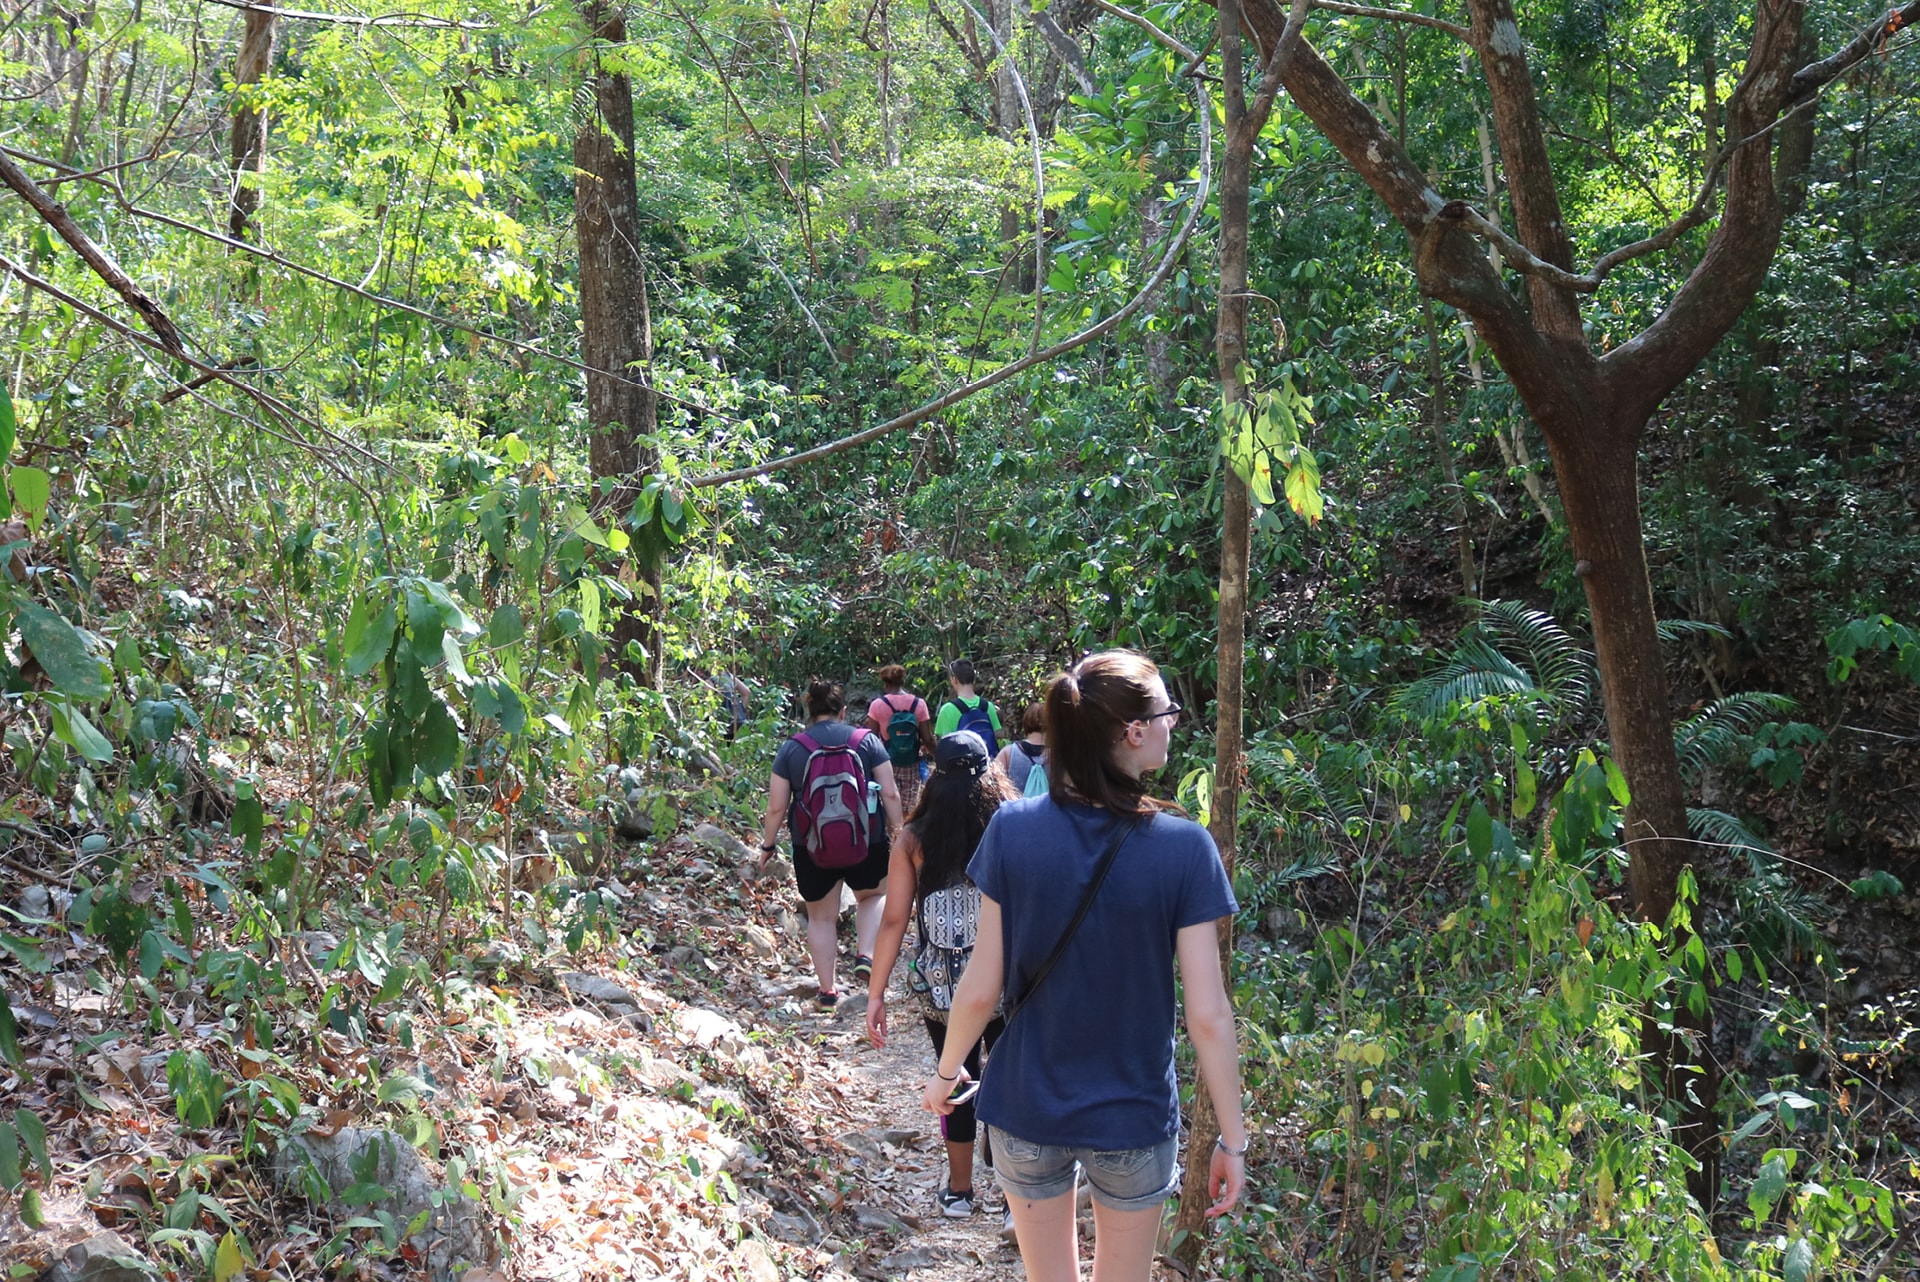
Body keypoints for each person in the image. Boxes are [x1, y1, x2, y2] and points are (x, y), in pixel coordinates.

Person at [920, 650, 1247, 1282]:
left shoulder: (1013, 830)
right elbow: (1208, 1015)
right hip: (1132, 1113)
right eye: (1165, 712)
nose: (1173, 722)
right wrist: (1231, 1139)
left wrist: (945, 1074)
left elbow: (981, 985)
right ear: (1133, 731)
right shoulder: (1184, 847)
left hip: (1026, 1108)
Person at [867, 731, 1017, 1220]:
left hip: (942, 986)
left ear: (935, 775)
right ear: (990, 774)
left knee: (953, 1078)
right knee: (1010, 1073)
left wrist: (877, 993)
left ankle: (960, 1191)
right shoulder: (1010, 828)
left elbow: (893, 920)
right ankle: (1018, 1194)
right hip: (1006, 979)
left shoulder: (913, 839)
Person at [758, 679, 903, 1008]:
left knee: (821, 917)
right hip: (868, 839)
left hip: (811, 845)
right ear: (843, 711)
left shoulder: (792, 748)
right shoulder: (866, 741)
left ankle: (827, 991)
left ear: (809, 712)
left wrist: (768, 846)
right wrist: (899, 834)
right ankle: (865, 953)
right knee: (873, 896)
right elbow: (891, 792)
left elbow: (776, 806)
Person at [865, 664, 935, 815]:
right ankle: (905, 835)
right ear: (903, 681)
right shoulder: (919, 704)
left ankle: (892, 836)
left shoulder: (877, 705)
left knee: (888, 805)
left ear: (885, 684)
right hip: (911, 763)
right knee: (911, 809)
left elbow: (871, 739)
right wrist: (940, 759)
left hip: (886, 763)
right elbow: (928, 739)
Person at [934, 658, 1002, 758]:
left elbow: (945, 748)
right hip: (990, 766)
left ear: (954, 680)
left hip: (963, 770)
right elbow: (997, 738)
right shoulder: (988, 706)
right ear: (973, 679)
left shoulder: (947, 710)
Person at [995, 701, 1047, 794]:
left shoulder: (1008, 752)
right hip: (1050, 808)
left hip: (1016, 807)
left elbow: (994, 781)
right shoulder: (1059, 755)